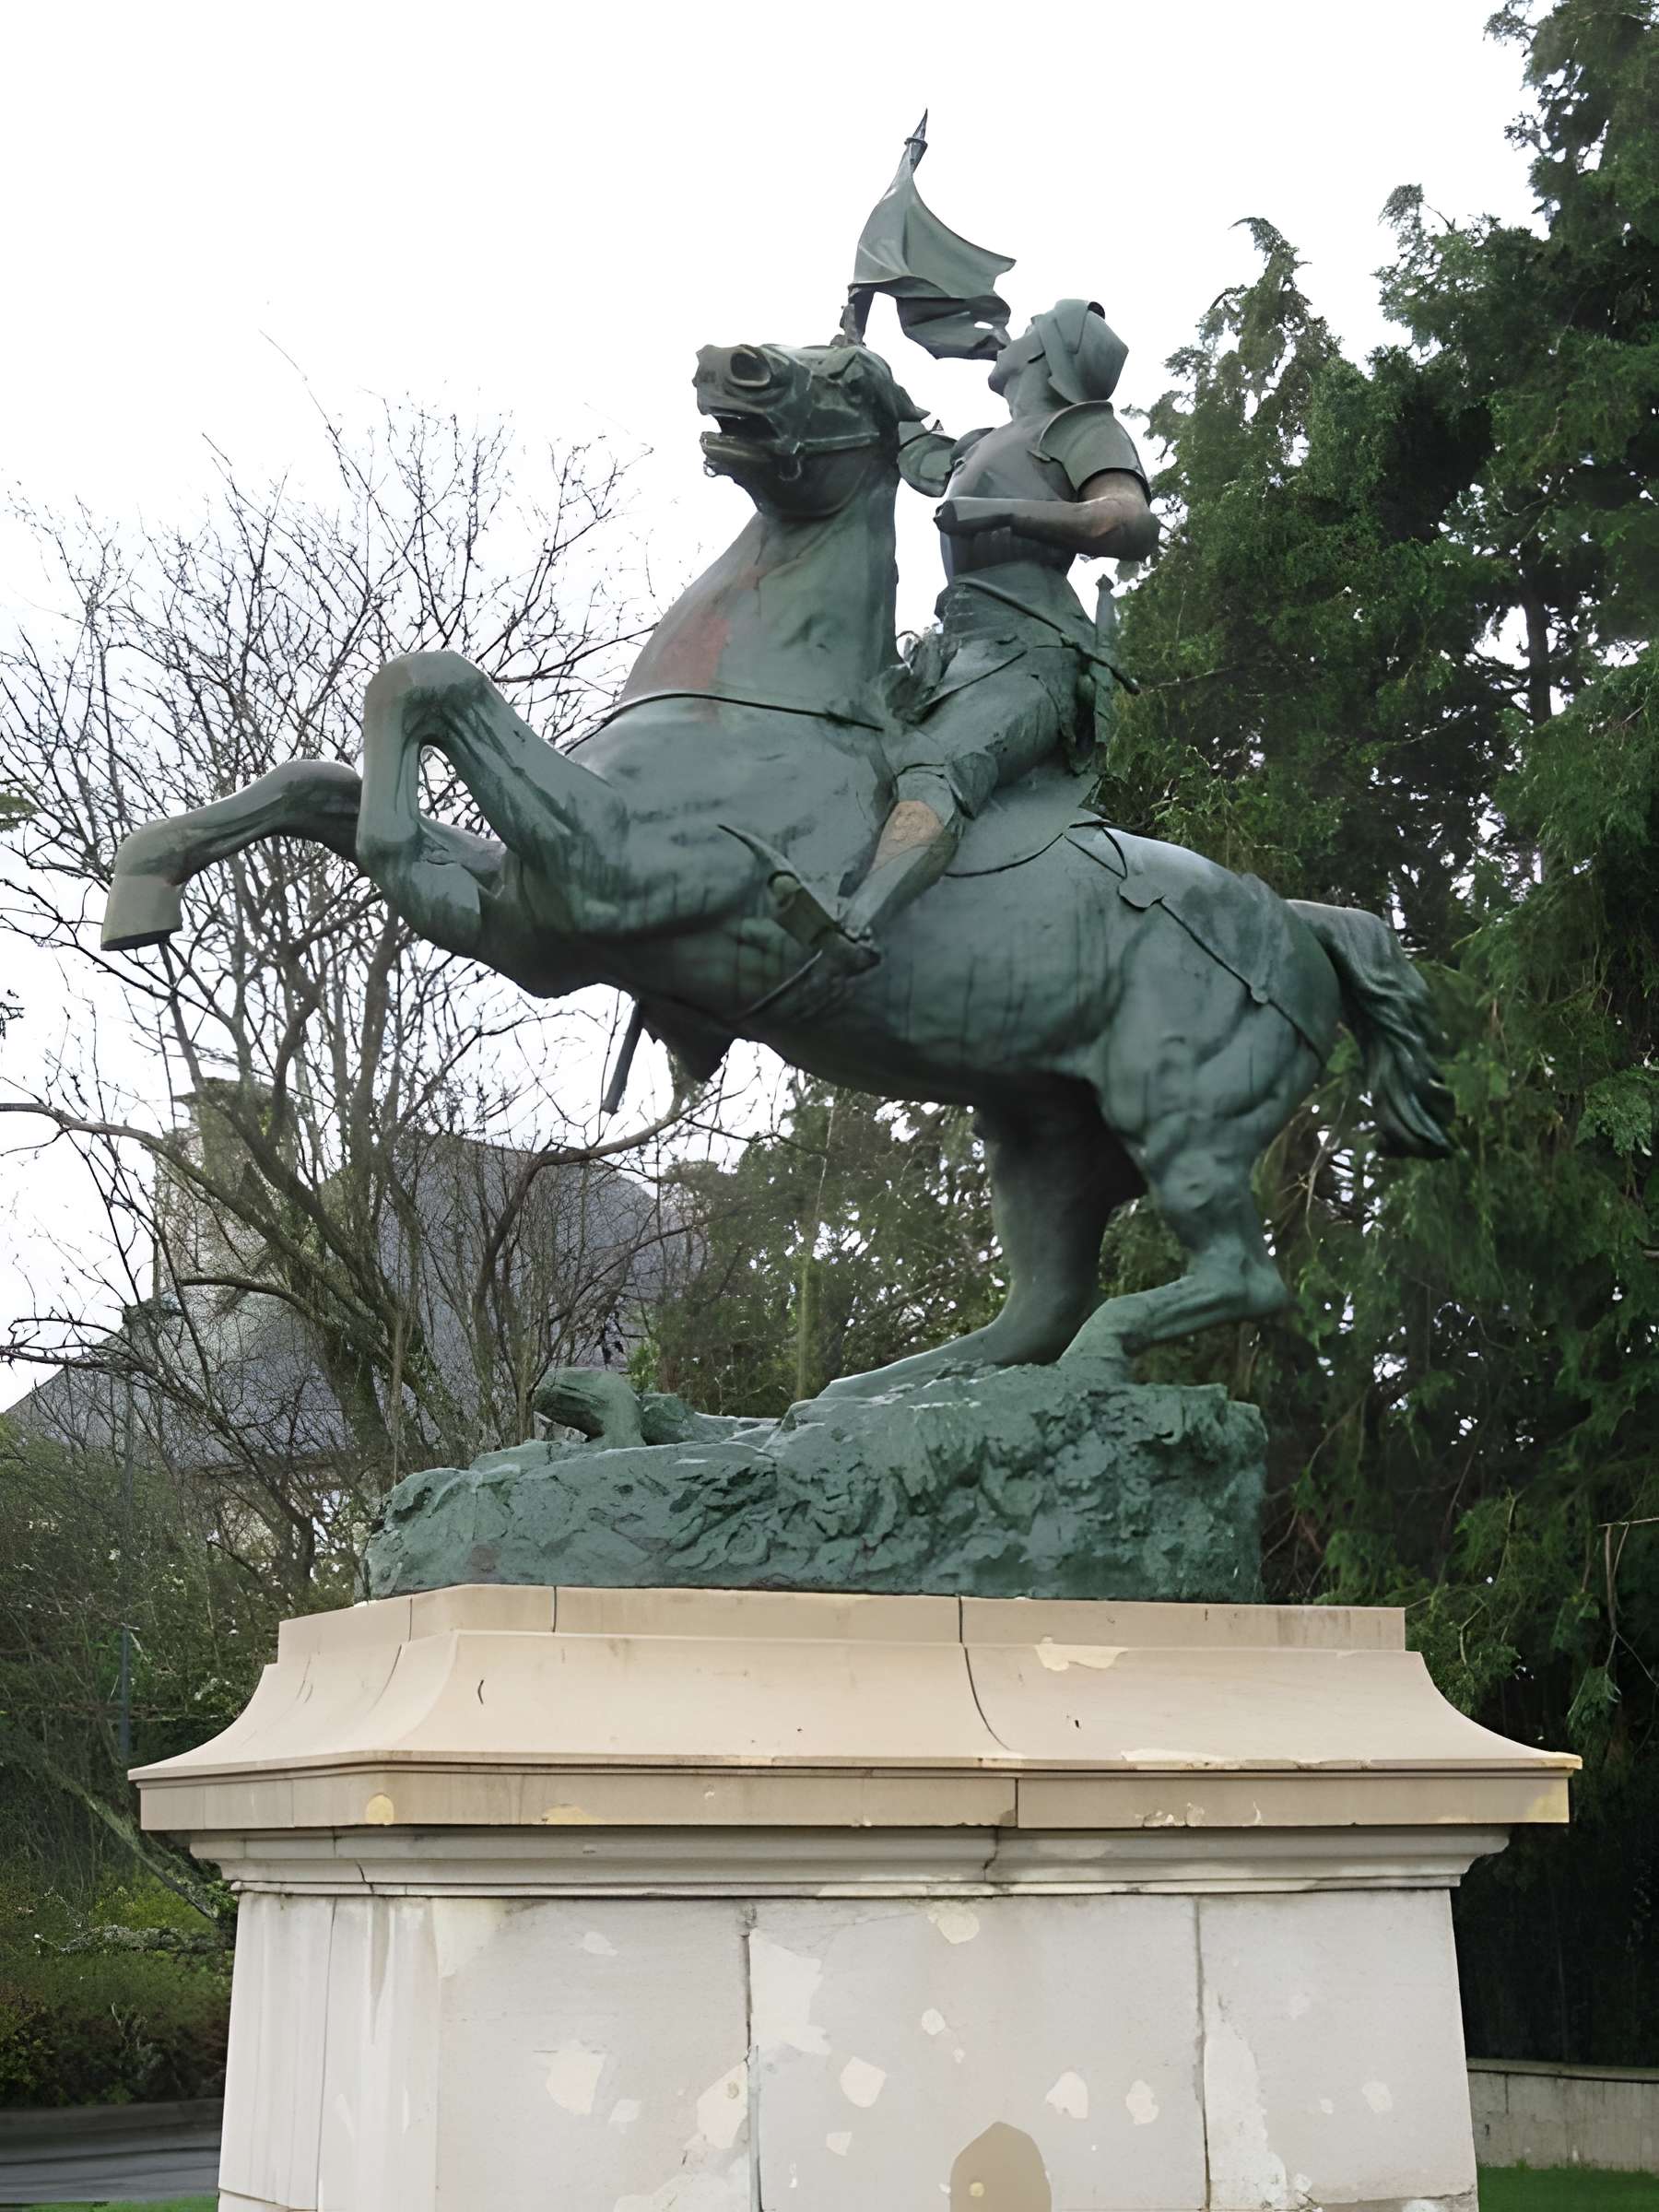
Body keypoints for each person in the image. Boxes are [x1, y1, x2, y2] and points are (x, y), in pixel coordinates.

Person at [824, 299, 1159, 971]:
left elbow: (1131, 523)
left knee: (939, 765)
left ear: (1044, 356)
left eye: (1029, 327)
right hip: (953, 651)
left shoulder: (1082, 428)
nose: (1009, 333)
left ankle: (851, 931)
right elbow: (909, 442)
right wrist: (858, 364)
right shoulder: (982, 443)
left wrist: (1004, 510)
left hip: (1033, 652)